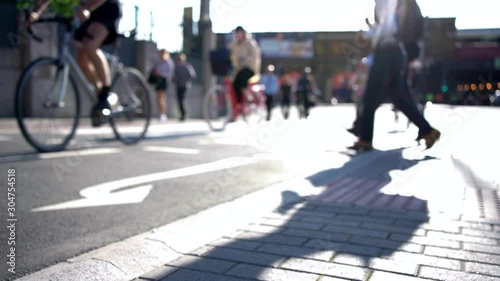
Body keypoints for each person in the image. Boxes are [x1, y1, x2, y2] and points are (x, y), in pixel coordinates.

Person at [348, 0, 440, 151]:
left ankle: (365, 139)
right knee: (398, 97)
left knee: (370, 96)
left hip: (386, 53)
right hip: (397, 52)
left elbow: (387, 28)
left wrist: (367, 32)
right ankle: (428, 131)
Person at [28, 0, 122, 127]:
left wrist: (88, 8)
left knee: (90, 46)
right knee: (82, 60)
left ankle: (105, 92)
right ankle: (101, 96)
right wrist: (35, 12)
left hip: (106, 8)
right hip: (86, 12)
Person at [228, 26, 261, 117]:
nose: (237, 35)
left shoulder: (250, 43)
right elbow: (228, 51)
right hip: (238, 69)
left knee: (241, 77)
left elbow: (255, 55)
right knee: (234, 84)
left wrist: (246, 59)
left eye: (239, 33)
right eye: (236, 33)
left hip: (250, 68)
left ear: (243, 33)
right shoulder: (234, 44)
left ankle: (247, 95)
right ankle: (237, 107)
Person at [151, 49, 175, 122]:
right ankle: (160, 113)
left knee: (162, 98)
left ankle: (163, 114)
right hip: (158, 80)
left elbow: (170, 73)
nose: (161, 55)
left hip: (164, 80)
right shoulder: (159, 62)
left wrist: (160, 73)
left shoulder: (169, 62)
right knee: (158, 98)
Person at [173, 53, 196, 121]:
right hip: (178, 85)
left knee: (182, 100)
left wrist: (185, 79)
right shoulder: (176, 66)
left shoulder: (187, 66)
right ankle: (182, 114)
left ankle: (184, 114)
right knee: (179, 100)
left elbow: (192, 75)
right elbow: (174, 76)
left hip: (185, 85)